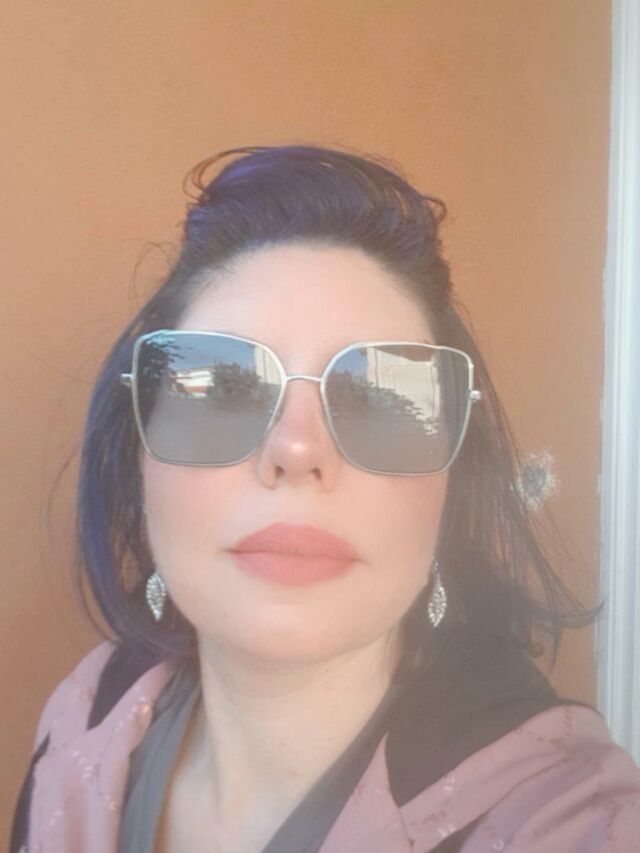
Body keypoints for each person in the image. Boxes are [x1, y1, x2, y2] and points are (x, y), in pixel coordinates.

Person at [10, 144, 640, 853]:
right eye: (219, 389)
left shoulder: (569, 820)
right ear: (138, 460)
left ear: (451, 488)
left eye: (381, 399)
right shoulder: (85, 718)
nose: (298, 449)